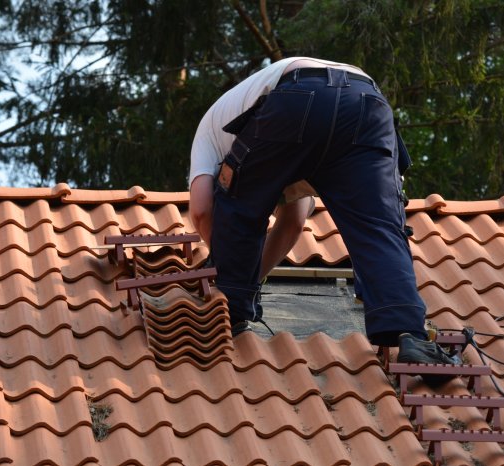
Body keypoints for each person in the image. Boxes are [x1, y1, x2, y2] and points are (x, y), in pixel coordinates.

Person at [188, 57, 460, 370]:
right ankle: (410, 335)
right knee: (379, 227)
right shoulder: (286, 159)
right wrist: (254, 275)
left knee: (238, 205)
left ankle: (231, 310)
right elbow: (292, 223)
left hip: (297, 97)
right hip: (367, 104)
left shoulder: (208, 134)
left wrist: (226, 275)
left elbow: (201, 209)